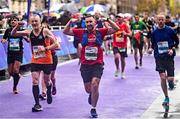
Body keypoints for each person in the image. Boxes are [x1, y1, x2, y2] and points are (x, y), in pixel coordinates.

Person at [63, 15, 119, 118]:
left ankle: (93, 108)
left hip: (97, 64)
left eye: (90, 22)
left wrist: (107, 20)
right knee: (88, 89)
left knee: (95, 84)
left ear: (95, 23)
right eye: (87, 22)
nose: (89, 24)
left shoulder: (100, 31)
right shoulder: (81, 32)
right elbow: (65, 32)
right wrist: (70, 21)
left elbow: (116, 29)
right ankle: (91, 94)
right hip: (85, 65)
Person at [11, 14, 59, 112]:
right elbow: (13, 34)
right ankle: (37, 104)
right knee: (35, 81)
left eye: (36, 21)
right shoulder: (29, 32)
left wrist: (46, 48)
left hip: (47, 61)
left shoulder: (45, 31)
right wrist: (17, 26)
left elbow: (56, 44)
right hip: (35, 60)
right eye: (32, 21)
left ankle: (48, 90)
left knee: (47, 81)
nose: (34, 23)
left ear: (40, 22)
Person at [150, 14, 179, 113]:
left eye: (162, 19)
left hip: (169, 57)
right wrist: (150, 49)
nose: (161, 21)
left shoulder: (170, 30)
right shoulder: (154, 33)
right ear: (156, 21)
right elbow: (153, 45)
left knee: (170, 79)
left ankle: (171, 83)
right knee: (162, 77)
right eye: (159, 20)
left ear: (164, 21)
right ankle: (166, 97)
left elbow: (176, 41)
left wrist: (172, 48)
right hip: (159, 57)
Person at [1, 15, 27, 94]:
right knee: (10, 73)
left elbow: (27, 38)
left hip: (18, 52)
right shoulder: (8, 30)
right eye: (11, 20)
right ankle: (17, 76)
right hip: (10, 53)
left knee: (16, 70)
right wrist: (3, 40)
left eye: (15, 20)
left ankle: (15, 87)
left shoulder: (21, 30)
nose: (13, 21)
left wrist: (26, 38)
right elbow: (4, 38)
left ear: (18, 21)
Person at [39, 21, 60, 100]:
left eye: (45, 28)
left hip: (52, 57)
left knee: (52, 77)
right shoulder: (40, 38)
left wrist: (49, 48)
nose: (43, 29)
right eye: (42, 27)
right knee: (43, 75)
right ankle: (44, 93)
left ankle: (53, 86)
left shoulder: (51, 37)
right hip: (43, 58)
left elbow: (59, 47)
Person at [113, 14, 131, 79]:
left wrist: (125, 33)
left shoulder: (126, 25)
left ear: (123, 18)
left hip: (123, 45)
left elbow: (130, 34)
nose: (118, 18)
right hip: (115, 44)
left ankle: (123, 72)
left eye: (119, 17)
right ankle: (117, 69)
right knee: (116, 57)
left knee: (122, 59)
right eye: (117, 17)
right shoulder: (114, 24)